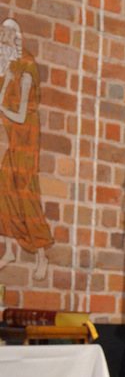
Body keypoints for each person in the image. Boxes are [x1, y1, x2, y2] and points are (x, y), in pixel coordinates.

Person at [0, 18, 52, 278]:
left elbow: (20, 116)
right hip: (14, 138)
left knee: (26, 192)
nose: (2, 39)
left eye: (6, 35)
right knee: (4, 187)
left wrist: (0, 107)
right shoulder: (7, 66)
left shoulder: (27, 69)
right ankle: (9, 249)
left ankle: (42, 254)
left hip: (26, 138)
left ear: (15, 37)